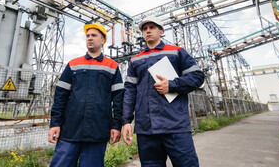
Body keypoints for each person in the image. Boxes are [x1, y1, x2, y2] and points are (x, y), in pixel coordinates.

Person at [122, 16, 205, 167]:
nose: (148, 31)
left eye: (152, 27)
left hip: (175, 125)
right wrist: (126, 121)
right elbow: (129, 92)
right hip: (146, 129)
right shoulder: (135, 60)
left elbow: (197, 76)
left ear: (161, 31)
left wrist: (172, 85)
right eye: (144, 29)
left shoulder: (177, 52)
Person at [48, 23, 124, 167]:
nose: (89, 38)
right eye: (87, 36)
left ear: (102, 40)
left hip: (98, 130)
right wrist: (55, 123)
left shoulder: (112, 66)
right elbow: (60, 96)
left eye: (94, 35)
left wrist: (116, 126)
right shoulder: (73, 64)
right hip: (70, 129)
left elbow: (119, 100)